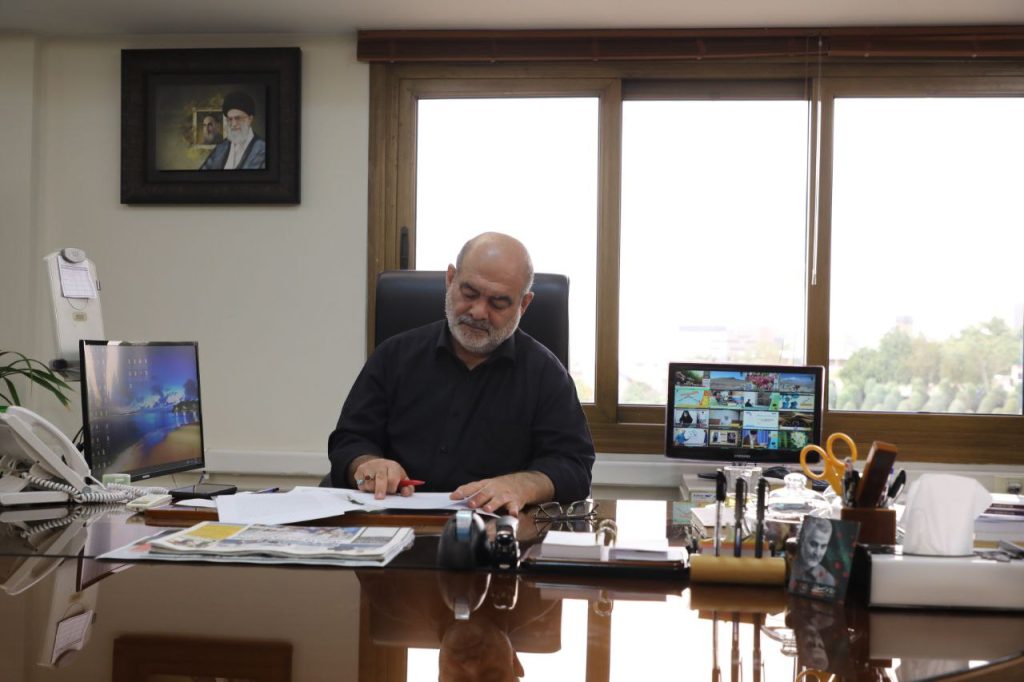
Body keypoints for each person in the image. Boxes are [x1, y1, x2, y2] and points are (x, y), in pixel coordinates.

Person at [327, 232, 595, 516]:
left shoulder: (546, 374)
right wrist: (367, 464)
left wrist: (522, 484)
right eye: (469, 293)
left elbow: (574, 466)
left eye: (498, 302)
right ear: (450, 279)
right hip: (393, 520)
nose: (478, 312)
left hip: (495, 528)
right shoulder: (394, 356)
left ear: (523, 304)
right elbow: (349, 441)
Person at [199, 91, 266, 170]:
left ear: (250, 119)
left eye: (238, 118)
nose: (233, 124)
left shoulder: (262, 149)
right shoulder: (221, 147)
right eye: (230, 119)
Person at [789, 516, 836, 597]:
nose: (817, 553)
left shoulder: (828, 580)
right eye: (813, 544)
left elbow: (824, 598)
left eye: (823, 546)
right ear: (802, 539)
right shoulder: (788, 567)